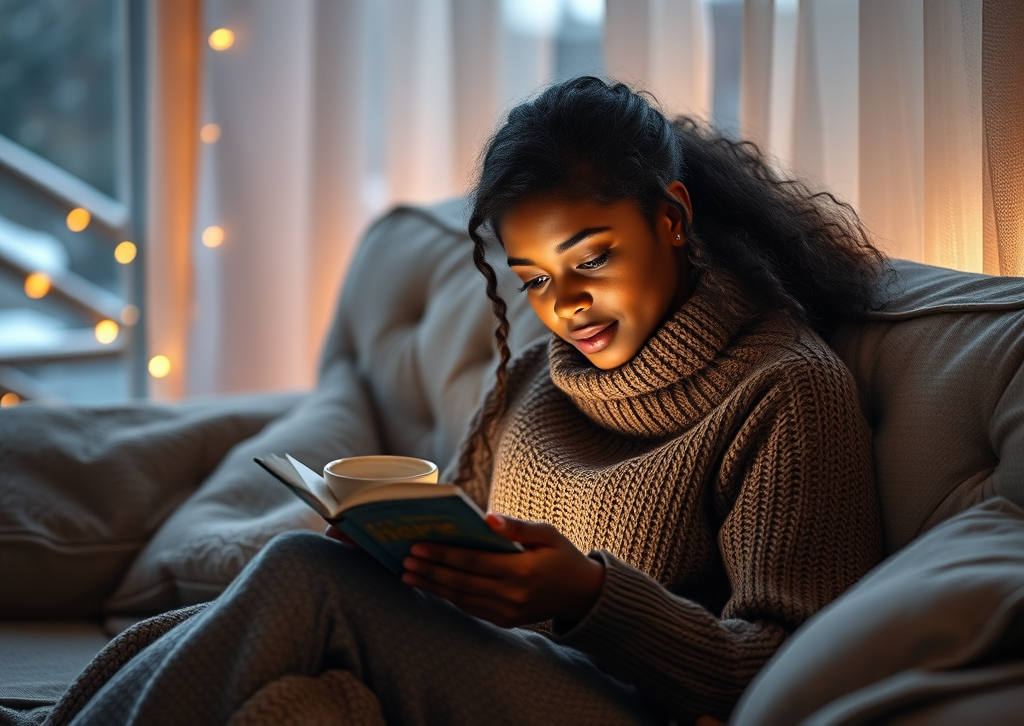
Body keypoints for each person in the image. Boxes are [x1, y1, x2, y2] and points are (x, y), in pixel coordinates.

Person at [61, 77, 886, 726]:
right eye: (534, 279)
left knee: (296, 572)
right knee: (273, 598)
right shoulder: (535, 377)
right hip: (495, 669)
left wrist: (587, 599)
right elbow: (470, 536)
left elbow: (783, 662)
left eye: (592, 259)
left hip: (635, 707)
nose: (565, 305)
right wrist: (400, 553)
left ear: (670, 218)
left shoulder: (784, 390)